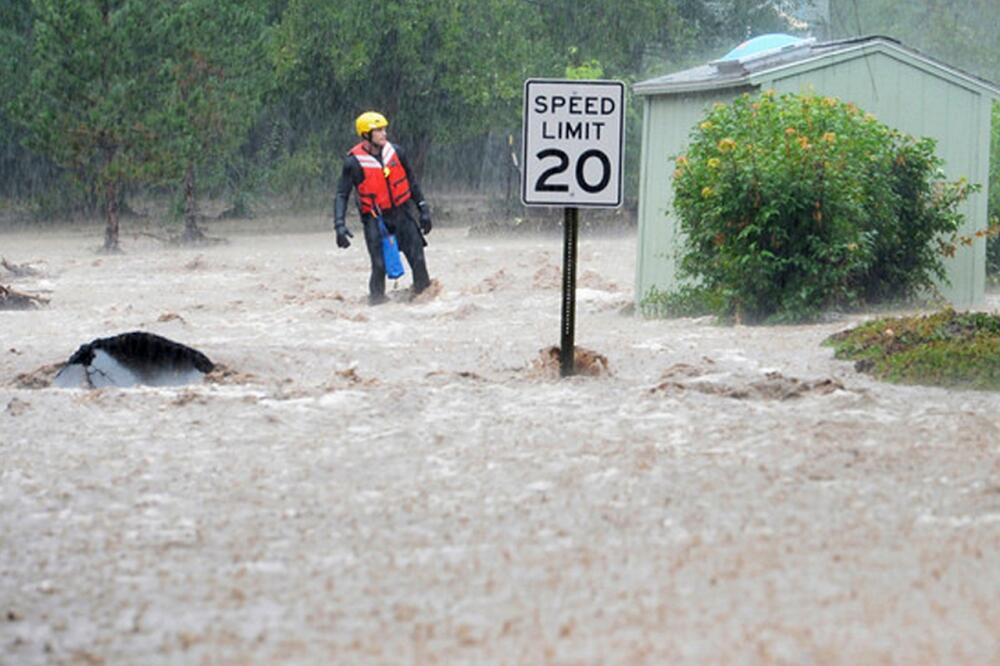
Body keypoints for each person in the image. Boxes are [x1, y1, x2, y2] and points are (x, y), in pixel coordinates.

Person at [333, 111, 433, 304]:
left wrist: (423, 208)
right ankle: (377, 306)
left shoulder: (396, 152)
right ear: (366, 135)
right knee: (379, 266)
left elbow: (411, 182)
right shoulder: (353, 163)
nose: (384, 133)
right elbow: (341, 194)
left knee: (418, 259)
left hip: (402, 214)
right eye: (378, 130)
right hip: (375, 219)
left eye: (384, 129)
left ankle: (425, 301)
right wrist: (339, 225)